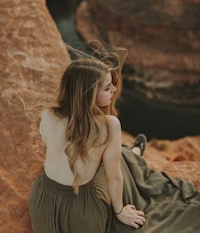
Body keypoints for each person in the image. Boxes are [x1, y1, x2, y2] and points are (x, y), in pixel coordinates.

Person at [29, 45, 200, 233]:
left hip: (43, 204)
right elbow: (114, 178)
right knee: (114, 163)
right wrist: (120, 212)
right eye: (107, 88)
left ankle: (132, 152)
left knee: (103, 156)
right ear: (88, 93)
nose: (113, 90)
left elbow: (49, 145)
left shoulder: (48, 114)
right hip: (82, 217)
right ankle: (134, 154)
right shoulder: (109, 124)